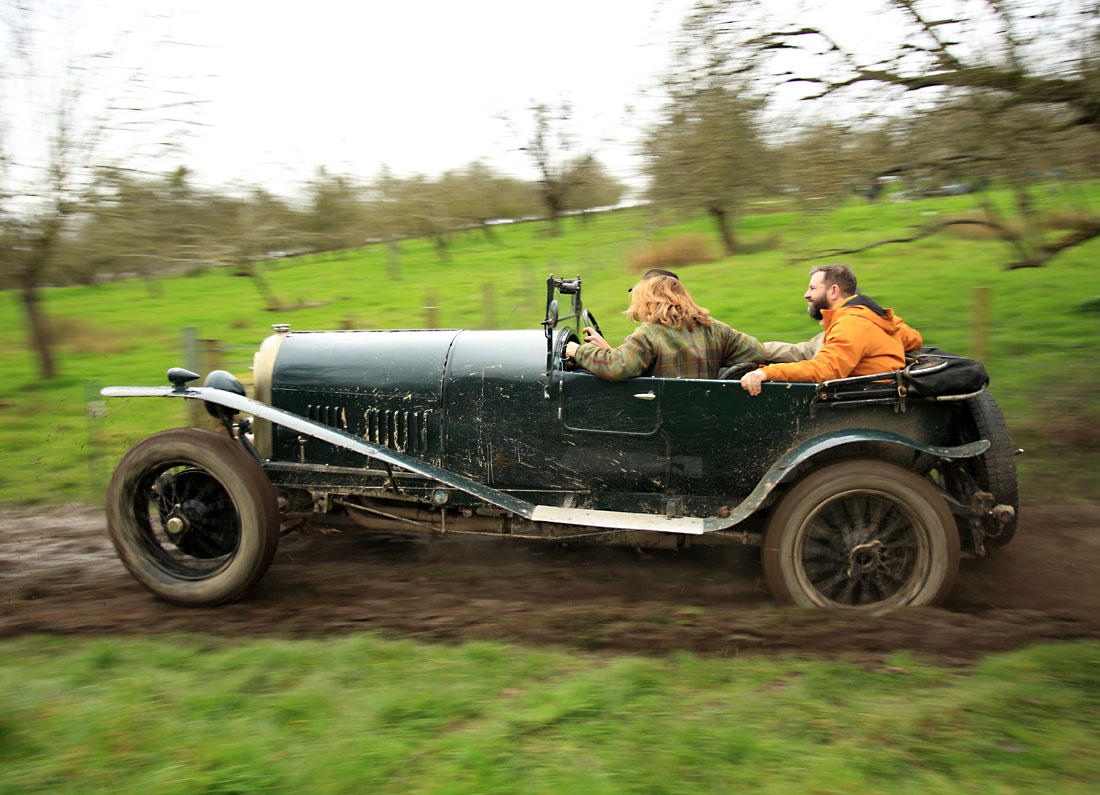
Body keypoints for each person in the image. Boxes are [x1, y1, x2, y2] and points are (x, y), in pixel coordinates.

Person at [741, 264, 922, 396]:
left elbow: (825, 369)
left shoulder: (852, 323)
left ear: (834, 291)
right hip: (866, 397)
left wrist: (766, 373)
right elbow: (913, 339)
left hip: (859, 404)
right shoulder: (868, 318)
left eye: (812, 288)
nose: (806, 294)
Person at [565, 272, 765, 381]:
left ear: (650, 300)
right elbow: (755, 352)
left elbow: (619, 368)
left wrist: (578, 350)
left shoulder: (648, 334)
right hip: (703, 412)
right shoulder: (715, 329)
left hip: (660, 417)